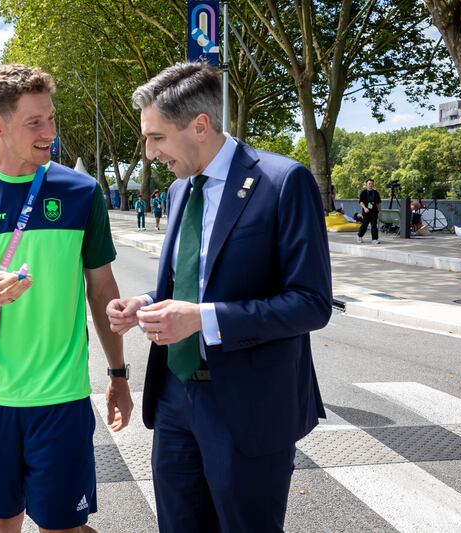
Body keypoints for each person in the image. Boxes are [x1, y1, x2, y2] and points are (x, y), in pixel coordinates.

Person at [106, 62, 331, 533]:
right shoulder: (178, 188)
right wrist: (145, 303)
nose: (148, 153)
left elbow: (311, 302)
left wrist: (202, 319)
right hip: (174, 397)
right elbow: (190, 284)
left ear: (200, 126)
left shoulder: (283, 182)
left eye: (157, 137)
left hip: (248, 407)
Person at [0, 63, 133, 533]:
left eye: (52, 119)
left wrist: (118, 374)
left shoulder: (82, 193)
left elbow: (102, 288)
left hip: (62, 400)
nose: (51, 133)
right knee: (2, 527)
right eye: (35, 123)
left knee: (64, 527)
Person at [357, 178, 381, 244]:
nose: (370, 185)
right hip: (366, 212)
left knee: (374, 225)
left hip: (374, 212)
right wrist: (365, 208)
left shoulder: (376, 193)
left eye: (372, 184)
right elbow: (361, 202)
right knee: (364, 225)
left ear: (373, 184)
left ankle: (375, 239)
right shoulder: (363, 192)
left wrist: (380, 211)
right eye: (369, 183)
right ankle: (359, 236)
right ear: (366, 184)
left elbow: (378, 203)